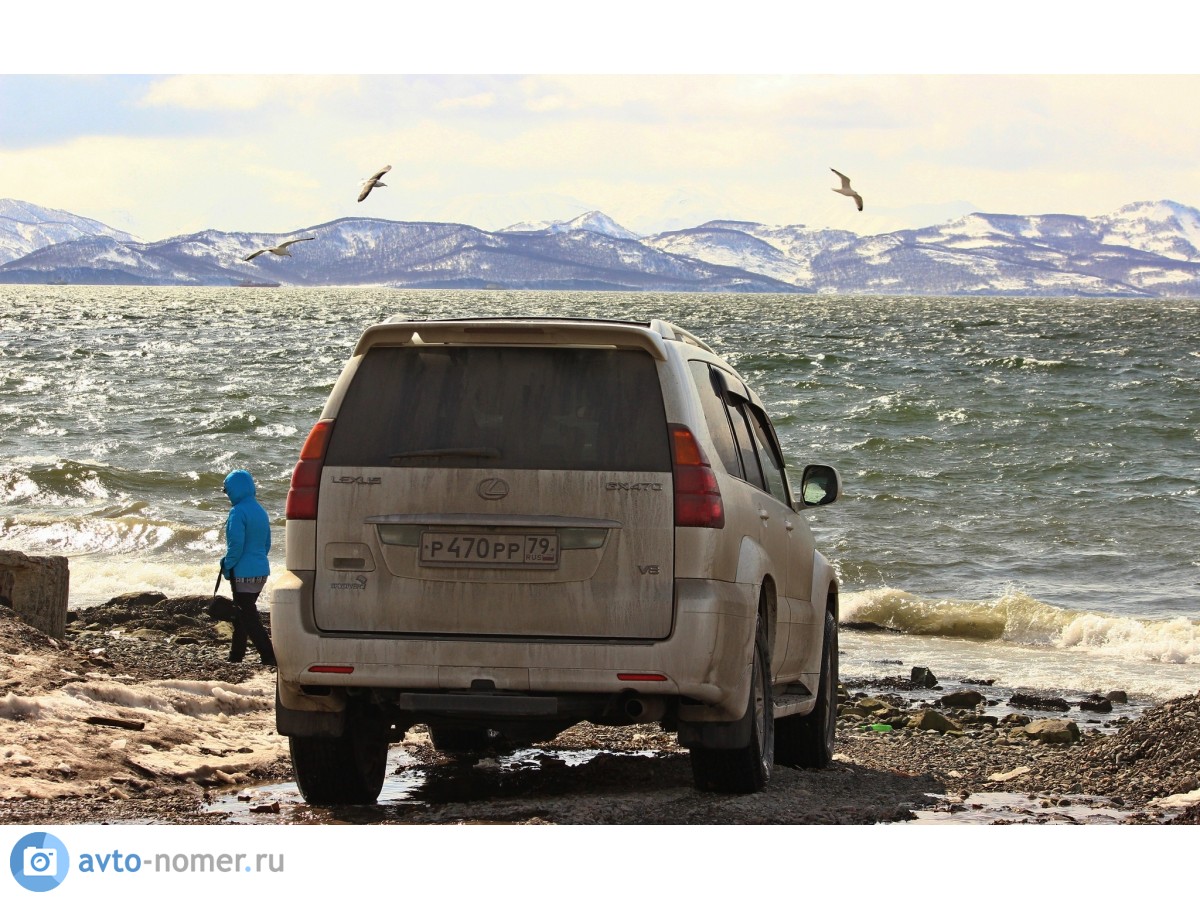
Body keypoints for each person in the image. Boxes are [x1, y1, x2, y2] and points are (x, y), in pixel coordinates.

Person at [220, 469, 276, 665]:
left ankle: (269, 656)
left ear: (235, 490)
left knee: (249, 618)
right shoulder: (260, 511)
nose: (227, 496)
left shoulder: (238, 512)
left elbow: (236, 546)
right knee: (242, 615)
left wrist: (226, 565)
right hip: (261, 572)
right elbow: (266, 544)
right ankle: (236, 656)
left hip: (243, 573)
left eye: (227, 491)